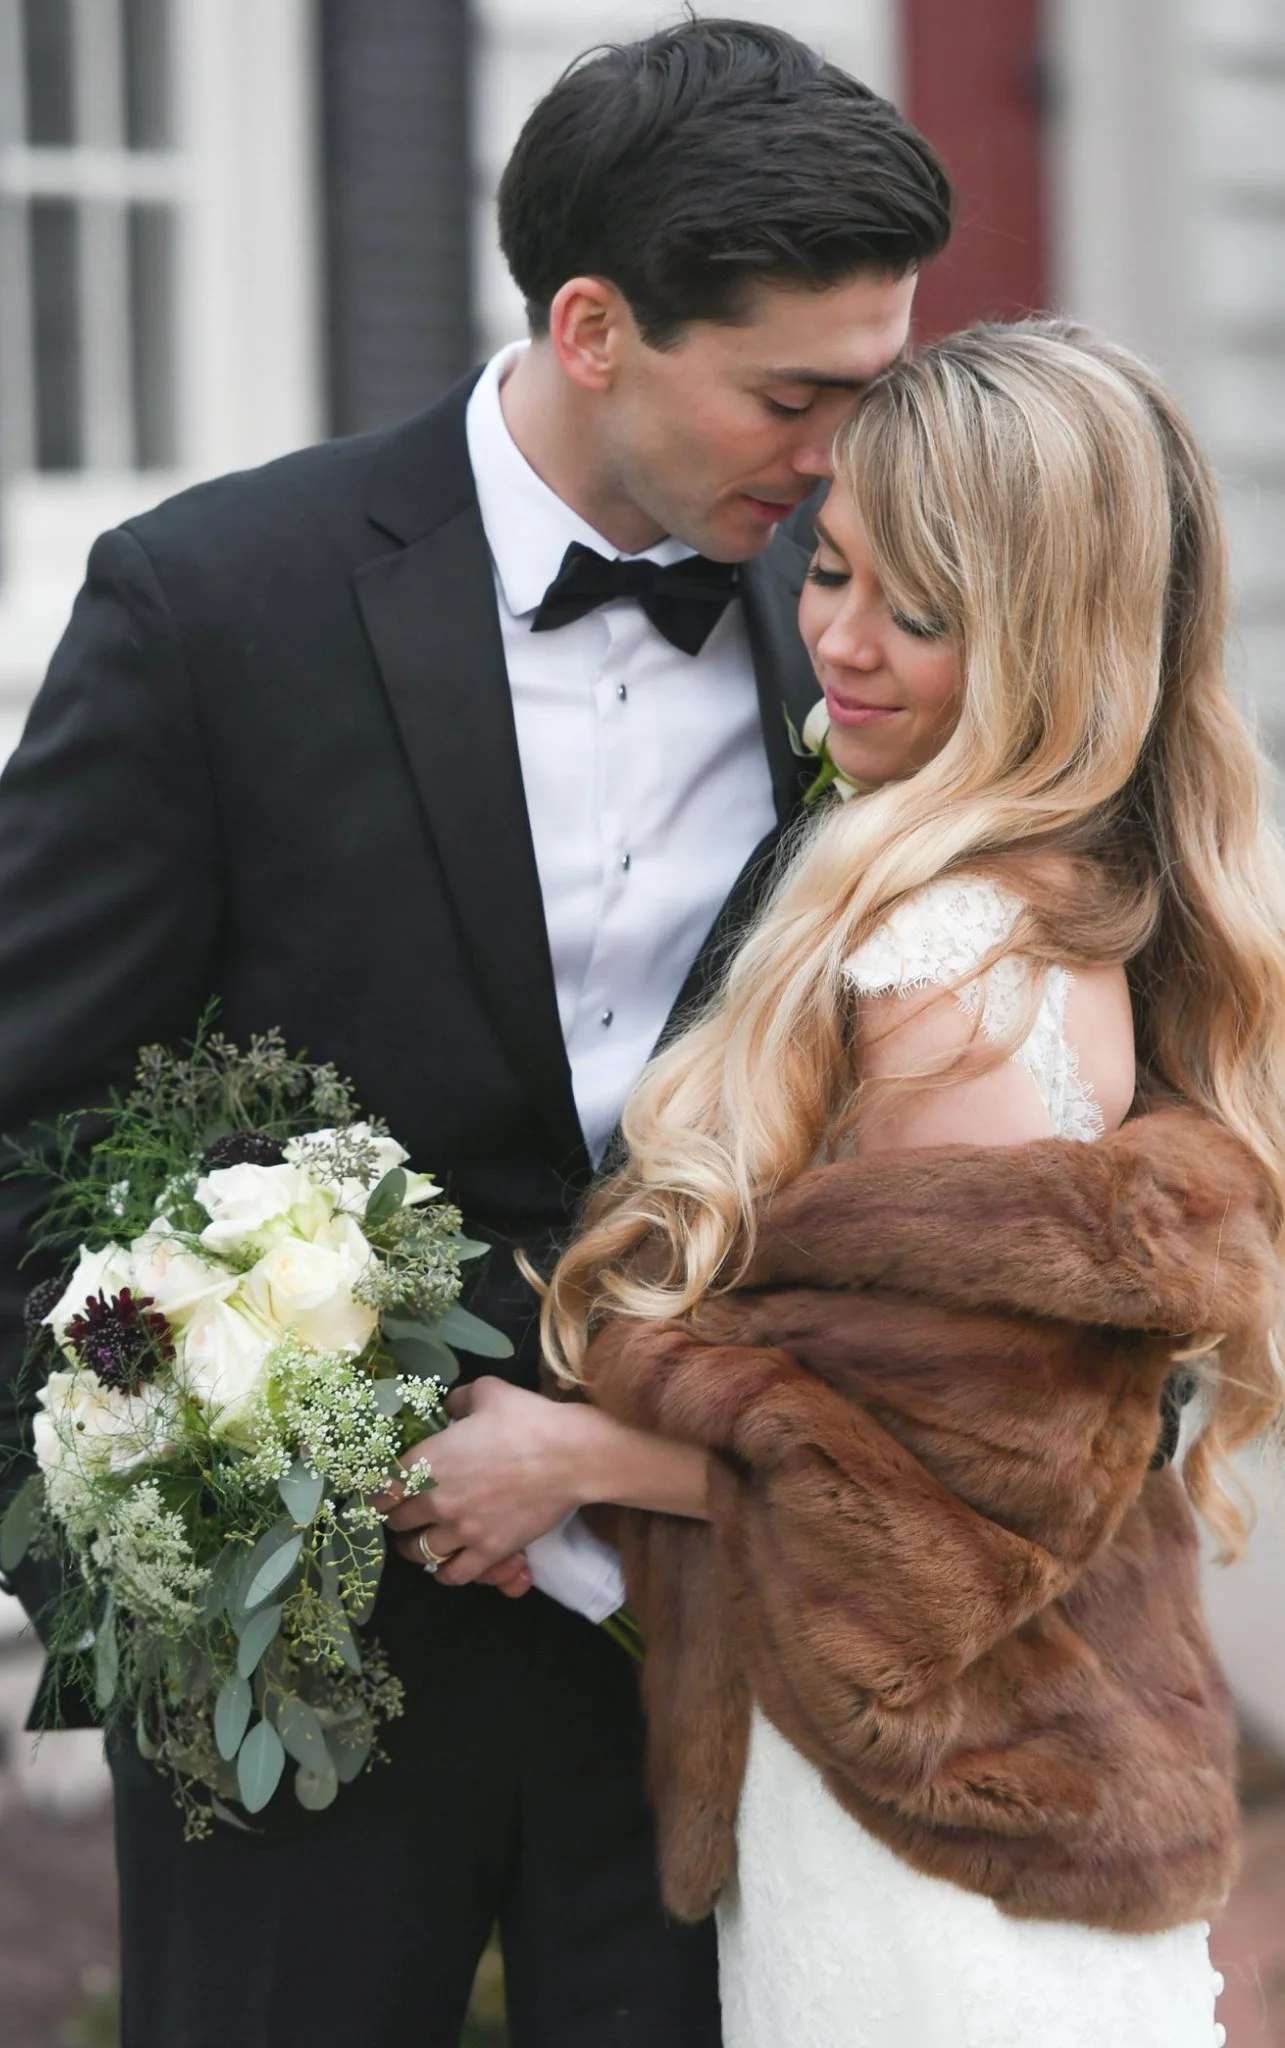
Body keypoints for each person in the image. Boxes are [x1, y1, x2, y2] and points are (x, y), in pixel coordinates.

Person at [0, 20, 950, 2048]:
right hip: (309, 1683)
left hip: (709, 1662)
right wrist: (144, 1599)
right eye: (792, 392)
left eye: (872, 387)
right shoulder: (210, 603)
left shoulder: (851, 631)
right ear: (592, 325)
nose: (842, 452)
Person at [541, 320, 1285, 2047]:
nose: (839, 646)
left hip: (944, 1828)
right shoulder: (1039, 901)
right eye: (835, 570)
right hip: (953, 1791)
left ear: (1049, 647)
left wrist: (566, 1451)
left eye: (920, 617)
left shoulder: (957, 962)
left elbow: (940, 1532)